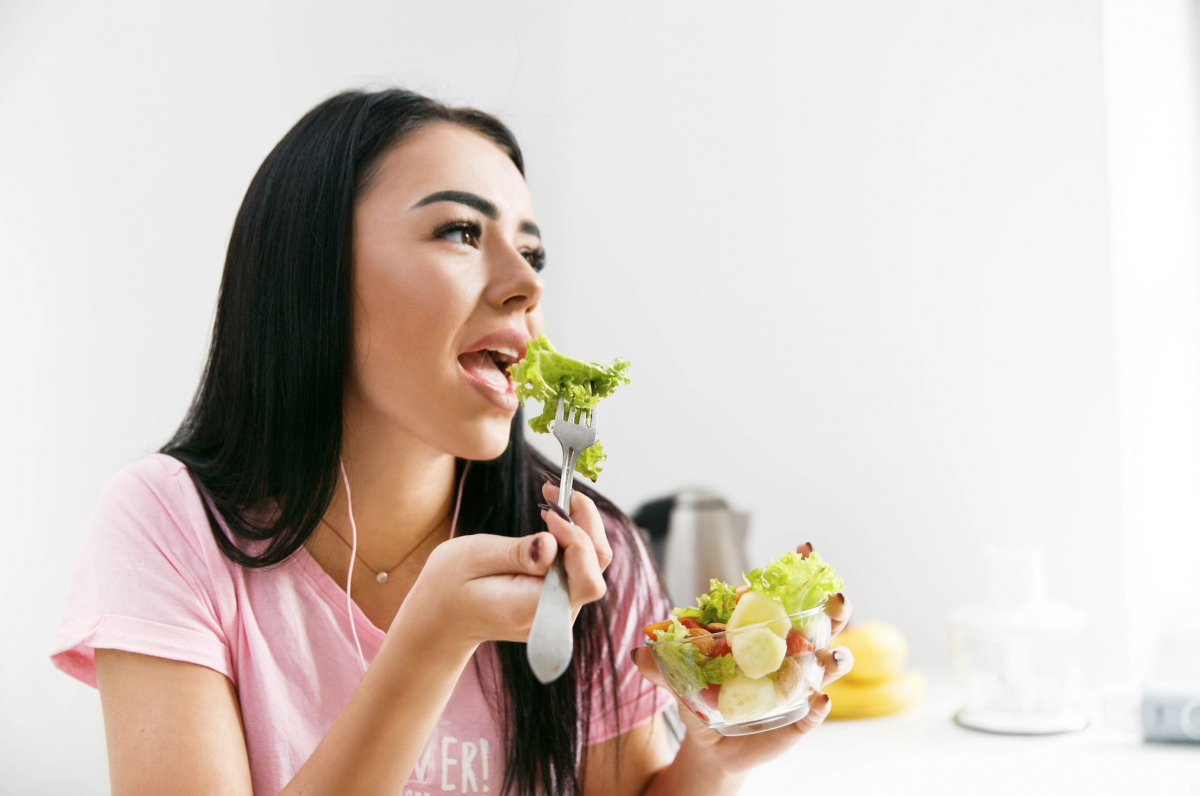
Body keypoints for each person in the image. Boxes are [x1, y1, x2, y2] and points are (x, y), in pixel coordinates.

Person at [48, 88, 854, 795]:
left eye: (533, 252)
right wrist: (429, 643)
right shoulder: (171, 524)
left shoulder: (589, 550)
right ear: (314, 270)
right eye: (462, 232)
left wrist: (710, 766)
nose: (528, 283)